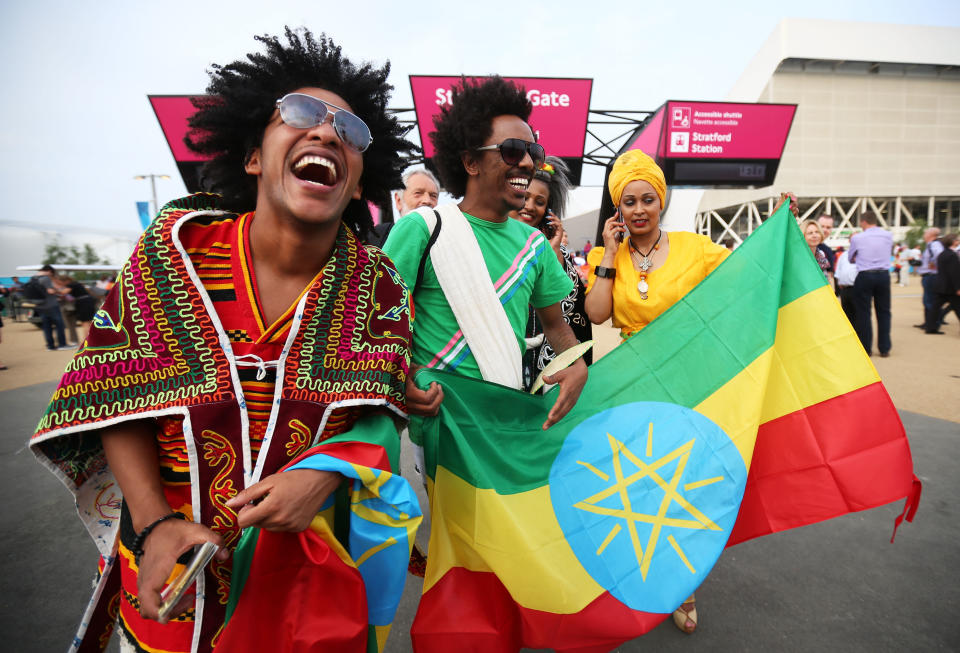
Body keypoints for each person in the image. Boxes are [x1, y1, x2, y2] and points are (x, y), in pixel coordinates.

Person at [30, 28, 419, 652]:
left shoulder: (377, 285)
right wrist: (153, 521)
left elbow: (380, 412)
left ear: (357, 183)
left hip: (307, 595)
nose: (326, 133)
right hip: (175, 591)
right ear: (254, 156)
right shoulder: (173, 250)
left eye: (351, 131)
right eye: (300, 114)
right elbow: (114, 391)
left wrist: (329, 471)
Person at [383, 75, 588, 452]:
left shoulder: (535, 246)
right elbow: (376, 324)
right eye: (512, 150)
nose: (527, 163)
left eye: (534, 152)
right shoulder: (422, 229)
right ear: (470, 162)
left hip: (505, 423)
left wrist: (576, 363)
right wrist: (399, 381)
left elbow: (556, 327)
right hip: (439, 430)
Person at [583, 149, 735, 633]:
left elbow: (746, 280)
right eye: (629, 202)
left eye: (649, 199)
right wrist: (609, 253)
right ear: (617, 210)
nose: (640, 209)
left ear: (661, 201)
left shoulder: (697, 249)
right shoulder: (604, 257)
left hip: (691, 382)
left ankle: (682, 581)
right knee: (640, 484)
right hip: (636, 385)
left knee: (686, 483)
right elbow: (598, 314)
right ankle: (643, 572)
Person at [508, 156, 593, 390]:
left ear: (548, 210)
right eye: (524, 196)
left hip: (544, 371)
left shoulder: (559, 253)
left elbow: (571, 316)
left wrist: (553, 252)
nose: (529, 206)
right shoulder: (490, 244)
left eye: (539, 201)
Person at [848, 211, 893, 357]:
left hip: (865, 275)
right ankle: (884, 347)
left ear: (863, 222)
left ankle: (866, 348)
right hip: (883, 275)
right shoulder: (888, 235)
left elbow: (850, 258)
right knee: (884, 312)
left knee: (864, 312)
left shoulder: (858, 238)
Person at [367, 167, 442, 247]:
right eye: (418, 193)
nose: (427, 200)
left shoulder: (445, 240)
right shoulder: (377, 236)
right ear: (399, 200)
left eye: (433, 196)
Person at [926, 233, 960, 334]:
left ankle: (930, 327)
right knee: (958, 308)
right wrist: (958, 287)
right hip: (950, 288)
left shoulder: (943, 254)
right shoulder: (952, 255)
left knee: (935, 308)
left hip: (940, 285)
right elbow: (954, 273)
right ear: (954, 242)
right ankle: (931, 327)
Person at [31, 264, 69, 351]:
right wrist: (58, 292)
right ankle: (62, 344)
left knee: (46, 326)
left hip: (40, 306)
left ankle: (50, 346)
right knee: (59, 325)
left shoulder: (33, 278)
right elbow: (51, 291)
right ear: (49, 271)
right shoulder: (45, 278)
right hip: (51, 305)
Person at [916, 227, 944, 329]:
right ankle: (928, 322)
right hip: (929, 276)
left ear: (930, 235)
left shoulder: (934, 245)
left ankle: (933, 324)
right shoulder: (930, 245)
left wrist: (933, 262)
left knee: (930, 301)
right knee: (927, 300)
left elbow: (940, 256)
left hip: (931, 276)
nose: (924, 235)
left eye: (925, 233)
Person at [802, 218, 834, 285]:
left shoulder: (822, 255)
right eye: (810, 233)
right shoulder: (798, 258)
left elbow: (829, 276)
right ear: (803, 236)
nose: (814, 235)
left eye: (817, 232)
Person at [834, 246, 858, 325]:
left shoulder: (865, 254)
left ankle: (859, 335)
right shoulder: (844, 255)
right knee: (846, 315)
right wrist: (839, 283)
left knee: (858, 315)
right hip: (844, 289)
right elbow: (838, 270)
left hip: (857, 288)